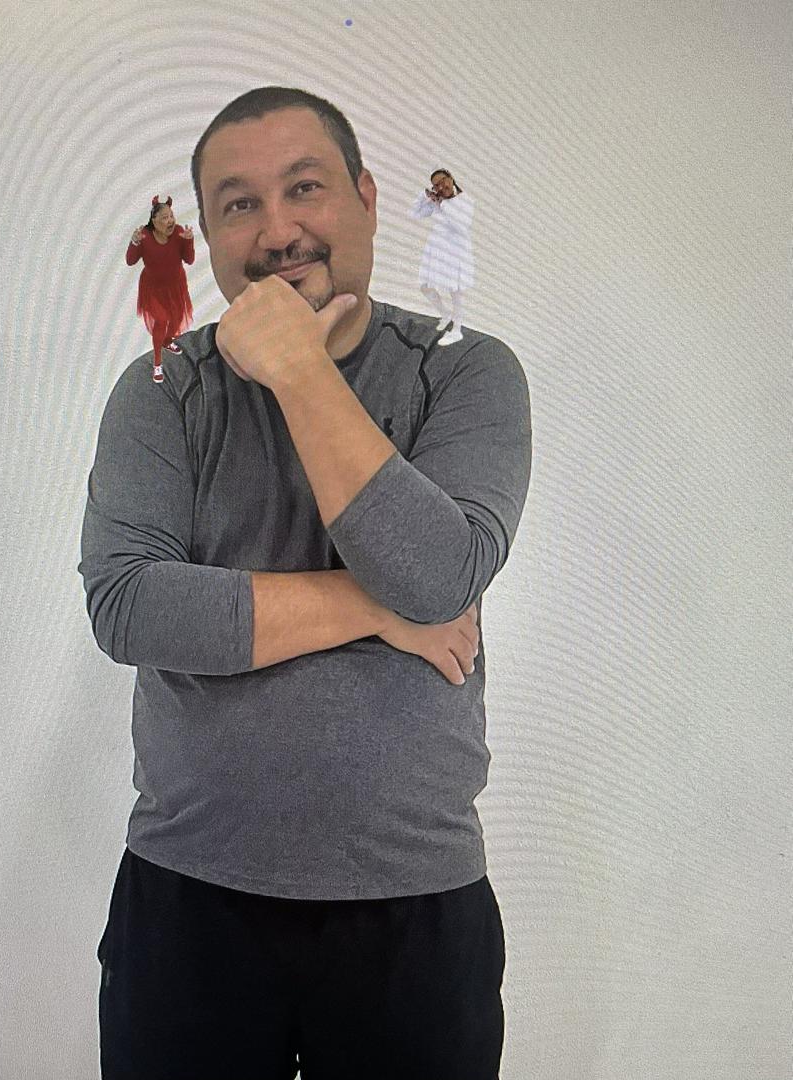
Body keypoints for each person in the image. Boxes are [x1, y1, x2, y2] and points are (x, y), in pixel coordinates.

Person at [80, 85, 531, 1080]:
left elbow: (437, 572)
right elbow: (131, 607)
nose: (277, 229)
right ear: (206, 235)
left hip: (414, 910)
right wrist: (374, 608)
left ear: (365, 199)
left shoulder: (465, 374)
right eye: (239, 204)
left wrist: (299, 370)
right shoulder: (164, 390)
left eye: (305, 188)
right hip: (187, 897)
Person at [126, 194, 195, 384]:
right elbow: (130, 261)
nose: (170, 220)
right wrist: (134, 242)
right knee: (161, 320)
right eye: (165, 217)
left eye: (171, 216)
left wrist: (189, 241)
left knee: (176, 320)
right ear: (154, 220)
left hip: (176, 286)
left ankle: (167, 341)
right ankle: (158, 363)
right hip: (153, 289)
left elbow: (189, 260)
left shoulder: (179, 232)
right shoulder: (145, 236)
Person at [410, 169, 475, 345]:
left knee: (455, 292)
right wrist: (425, 197)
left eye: (443, 181)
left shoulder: (464, 200)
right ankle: (445, 314)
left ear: (451, 178)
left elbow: (461, 225)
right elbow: (415, 214)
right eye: (436, 185)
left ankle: (457, 329)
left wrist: (443, 205)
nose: (441, 187)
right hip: (436, 250)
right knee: (425, 286)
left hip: (455, 252)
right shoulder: (438, 202)